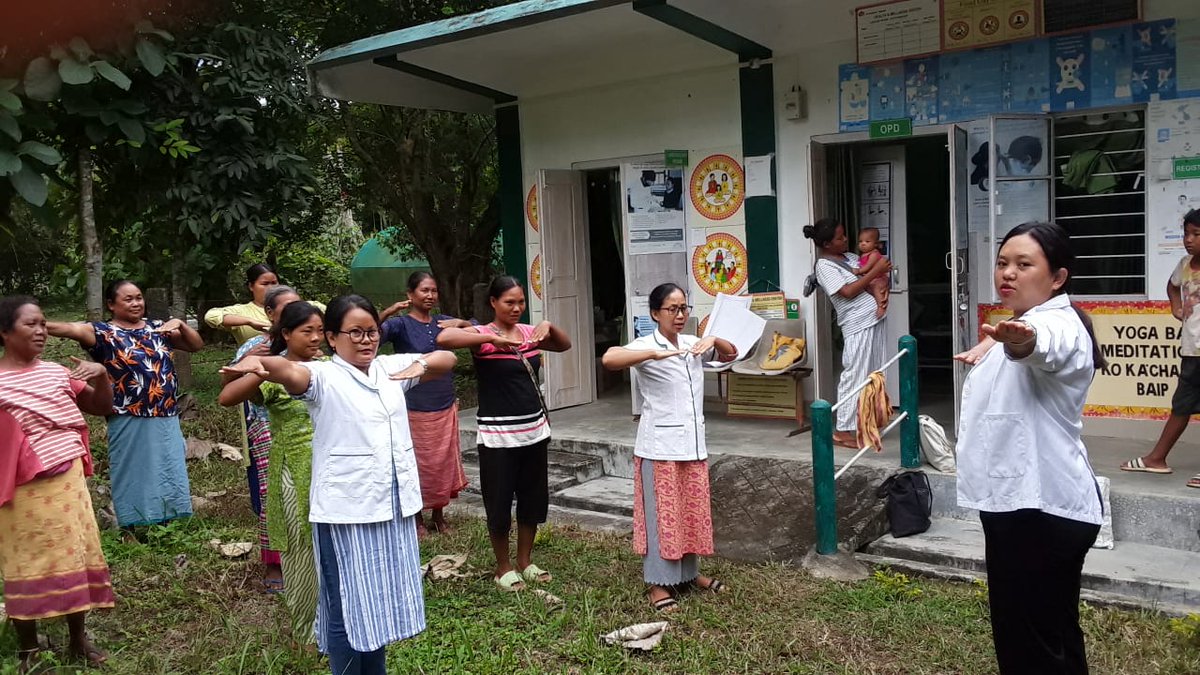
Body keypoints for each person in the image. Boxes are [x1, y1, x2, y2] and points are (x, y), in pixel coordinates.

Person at [221, 294, 456, 675]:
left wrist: (419, 364)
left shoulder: (388, 368)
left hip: (391, 507)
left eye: (372, 332)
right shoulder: (323, 375)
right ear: (333, 338)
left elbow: (448, 359)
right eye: (355, 333)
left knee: (376, 605)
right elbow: (290, 374)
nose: (365, 340)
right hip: (345, 512)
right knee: (345, 606)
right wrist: (261, 363)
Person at [954, 221, 1105, 675]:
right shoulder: (1029, 319)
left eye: (1024, 264)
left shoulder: (1056, 326)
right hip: (1025, 506)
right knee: (1046, 635)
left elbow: (1044, 346)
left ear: (1057, 278)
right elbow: (1023, 333)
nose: (1008, 274)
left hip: (1040, 510)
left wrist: (1022, 344)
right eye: (1002, 263)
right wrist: (998, 340)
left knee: (1032, 646)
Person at [600, 283, 736, 612]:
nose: (679, 315)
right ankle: (658, 584)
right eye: (671, 309)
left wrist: (714, 339)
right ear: (654, 314)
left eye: (684, 308)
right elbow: (609, 359)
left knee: (690, 513)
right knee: (663, 517)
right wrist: (653, 353)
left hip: (692, 445)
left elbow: (732, 352)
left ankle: (688, 575)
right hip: (659, 447)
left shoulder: (693, 343)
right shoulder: (646, 344)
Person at [0, 296, 116, 672]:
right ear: (4, 332)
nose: (41, 331)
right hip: (20, 489)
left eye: (44, 323)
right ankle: (28, 650)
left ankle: (78, 640)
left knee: (75, 555)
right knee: (24, 561)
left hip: (66, 481)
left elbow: (101, 408)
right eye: (30, 324)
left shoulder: (56, 372)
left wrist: (101, 375)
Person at [437, 276, 572, 591]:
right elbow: (444, 340)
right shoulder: (482, 334)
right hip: (498, 436)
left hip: (534, 432)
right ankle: (503, 567)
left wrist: (548, 324)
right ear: (493, 303)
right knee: (498, 503)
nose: (516, 308)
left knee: (532, 500)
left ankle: (525, 561)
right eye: (509, 302)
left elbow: (564, 345)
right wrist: (491, 340)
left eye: (521, 302)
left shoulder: (529, 333)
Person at [48, 280, 201, 532]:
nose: (136, 303)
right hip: (127, 412)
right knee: (133, 470)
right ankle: (132, 525)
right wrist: (31, 325)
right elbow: (67, 328)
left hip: (165, 411)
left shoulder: (157, 328)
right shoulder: (101, 332)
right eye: (128, 299)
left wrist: (181, 324)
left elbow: (195, 345)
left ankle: (167, 522)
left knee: (167, 466)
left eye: (139, 297)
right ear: (111, 304)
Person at [219, 300, 325, 646]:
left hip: (331, 466)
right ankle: (308, 629)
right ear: (286, 334)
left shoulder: (329, 367)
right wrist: (254, 372)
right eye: (306, 331)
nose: (315, 337)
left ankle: (338, 622)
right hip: (293, 469)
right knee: (299, 545)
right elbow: (227, 398)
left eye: (320, 330)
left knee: (334, 544)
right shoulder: (274, 370)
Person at [378, 271, 472, 536]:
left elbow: (479, 329)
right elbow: (368, 334)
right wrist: (387, 312)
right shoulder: (400, 325)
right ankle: (417, 517)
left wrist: (461, 322)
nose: (430, 295)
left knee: (442, 463)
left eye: (433, 290)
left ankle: (439, 516)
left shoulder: (443, 322)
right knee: (416, 463)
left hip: (444, 402)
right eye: (424, 291)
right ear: (410, 294)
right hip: (412, 406)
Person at [225, 283, 304, 592]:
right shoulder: (254, 346)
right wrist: (250, 366)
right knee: (275, 498)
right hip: (267, 427)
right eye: (286, 309)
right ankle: (275, 562)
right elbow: (228, 383)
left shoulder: (309, 344)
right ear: (270, 313)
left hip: (305, 430)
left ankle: (307, 558)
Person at [1122, 209, 1200, 486]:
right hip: (1192, 351)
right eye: (1186, 233)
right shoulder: (1185, 265)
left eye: (1196, 234)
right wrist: (1176, 306)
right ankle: (1157, 459)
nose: (1188, 240)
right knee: (1181, 406)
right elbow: (1172, 287)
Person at [803, 218, 892, 448]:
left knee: (873, 371)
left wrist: (879, 274)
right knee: (854, 373)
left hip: (873, 319)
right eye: (840, 238)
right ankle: (843, 429)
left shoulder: (852, 258)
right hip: (856, 323)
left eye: (844, 235)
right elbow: (848, 292)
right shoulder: (824, 266)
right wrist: (876, 272)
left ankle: (868, 422)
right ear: (826, 244)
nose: (846, 240)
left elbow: (874, 271)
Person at [204, 262, 279, 347]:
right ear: (251, 286)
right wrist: (250, 322)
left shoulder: (288, 307)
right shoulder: (243, 311)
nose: (271, 288)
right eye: (265, 284)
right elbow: (210, 316)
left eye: (274, 283)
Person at [855, 227, 890, 319]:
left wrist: (859, 271)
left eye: (867, 241)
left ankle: (881, 307)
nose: (863, 244)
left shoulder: (874, 254)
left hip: (879, 279)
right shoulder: (862, 255)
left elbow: (868, 267)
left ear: (875, 244)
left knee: (877, 289)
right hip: (872, 279)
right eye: (860, 241)